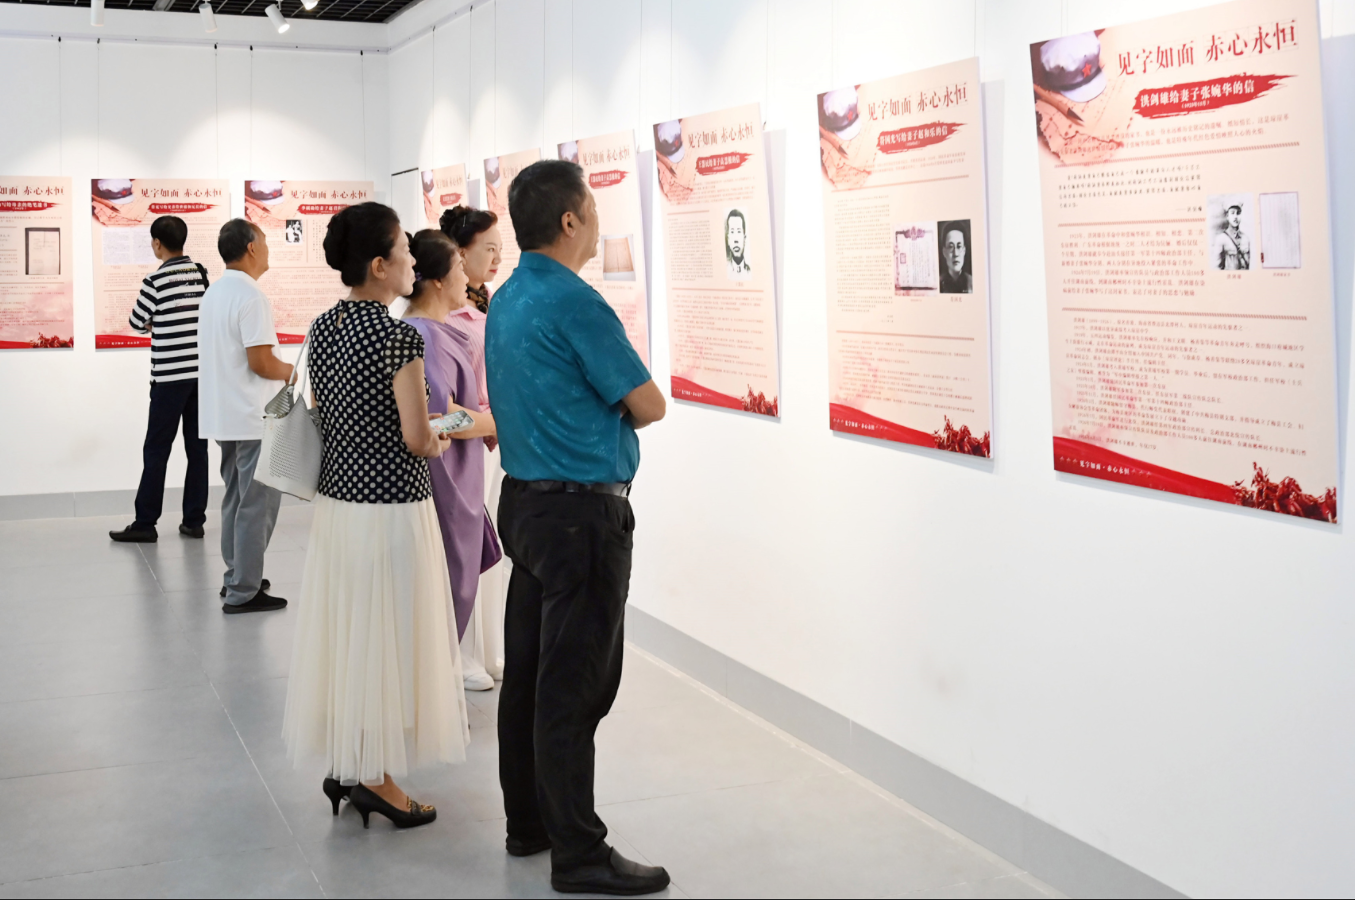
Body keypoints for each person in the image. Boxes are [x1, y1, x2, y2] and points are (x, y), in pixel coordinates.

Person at [486, 159, 669, 895]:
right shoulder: (576, 302)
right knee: (574, 686)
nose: (596, 222)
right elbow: (648, 404)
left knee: (529, 677)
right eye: (592, 209)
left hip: (526, 507)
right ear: (570, 220)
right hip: (580, 519)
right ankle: (579, 852)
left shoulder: (507, 297)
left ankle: (529, 823)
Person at [282, 203, 469, 829]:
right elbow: (417, 438)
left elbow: (325, 412)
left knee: (352, 634)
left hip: (340, 506)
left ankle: (351, 761)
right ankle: (376, 779)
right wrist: (442, 434)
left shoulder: (323, 327)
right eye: (405, 251)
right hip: (393, 508)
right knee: (388, 638)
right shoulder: (398, 337)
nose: (414, 260)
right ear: (380, 265)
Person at [402, 229, 502, 693]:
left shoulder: (433, 331)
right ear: (439, 280)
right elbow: (443, 418)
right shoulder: (424, 336)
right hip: (444, 479)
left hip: (455, 474)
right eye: (460, 267)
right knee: (446, 582)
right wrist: (496, 422)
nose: (468, 276)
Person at [198, 219, 292, 614]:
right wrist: (293, 372)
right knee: (258, 505)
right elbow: (262, 362)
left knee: (236, 499)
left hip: (225, 415)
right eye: (265, 242)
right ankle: (244, 591)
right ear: (252, 247)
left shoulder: (214, 293)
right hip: (254, 417)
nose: (268, 249)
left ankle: (237, 575)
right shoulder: (252, 296)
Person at [109, 215, 211, 544]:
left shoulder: (155, 281)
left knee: (156, 449)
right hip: (200, 377)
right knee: (197, 449)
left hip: (168, 378)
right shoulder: (201, 274)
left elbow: (136, 321)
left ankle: (145, 522)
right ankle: (194, 520)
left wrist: (158, 322)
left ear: (157, 243)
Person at [441, 204, 507, 684]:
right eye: (489, 249)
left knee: (493, 550)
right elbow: (442, 411)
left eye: (501, 249)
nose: (497, 258)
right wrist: (489, 421)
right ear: (459, 255)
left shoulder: (491, 306)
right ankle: (461, 655)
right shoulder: (443, 318)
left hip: (496, 443)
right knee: (465, 550)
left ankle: (489, 651)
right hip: (466, 446)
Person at [1214, 203, 1251, 270]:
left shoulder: (1245, 238)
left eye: (1238, 213)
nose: (1235, 217)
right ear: (1227, 216)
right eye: (1232, 213)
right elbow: (1217, 268)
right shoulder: (1221, 239)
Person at [938, 221, 973, 294]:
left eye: (959, 246)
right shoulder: (938, 284)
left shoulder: (972, 283)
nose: (955, 253)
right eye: (951, 247)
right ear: (944, 252)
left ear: (964, 251)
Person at [725, 209, 750, 278]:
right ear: (728, 239)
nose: (736, 240)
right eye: (732, 232)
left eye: (739, 231)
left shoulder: (750, 272)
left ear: (744, 237)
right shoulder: (726, 271)